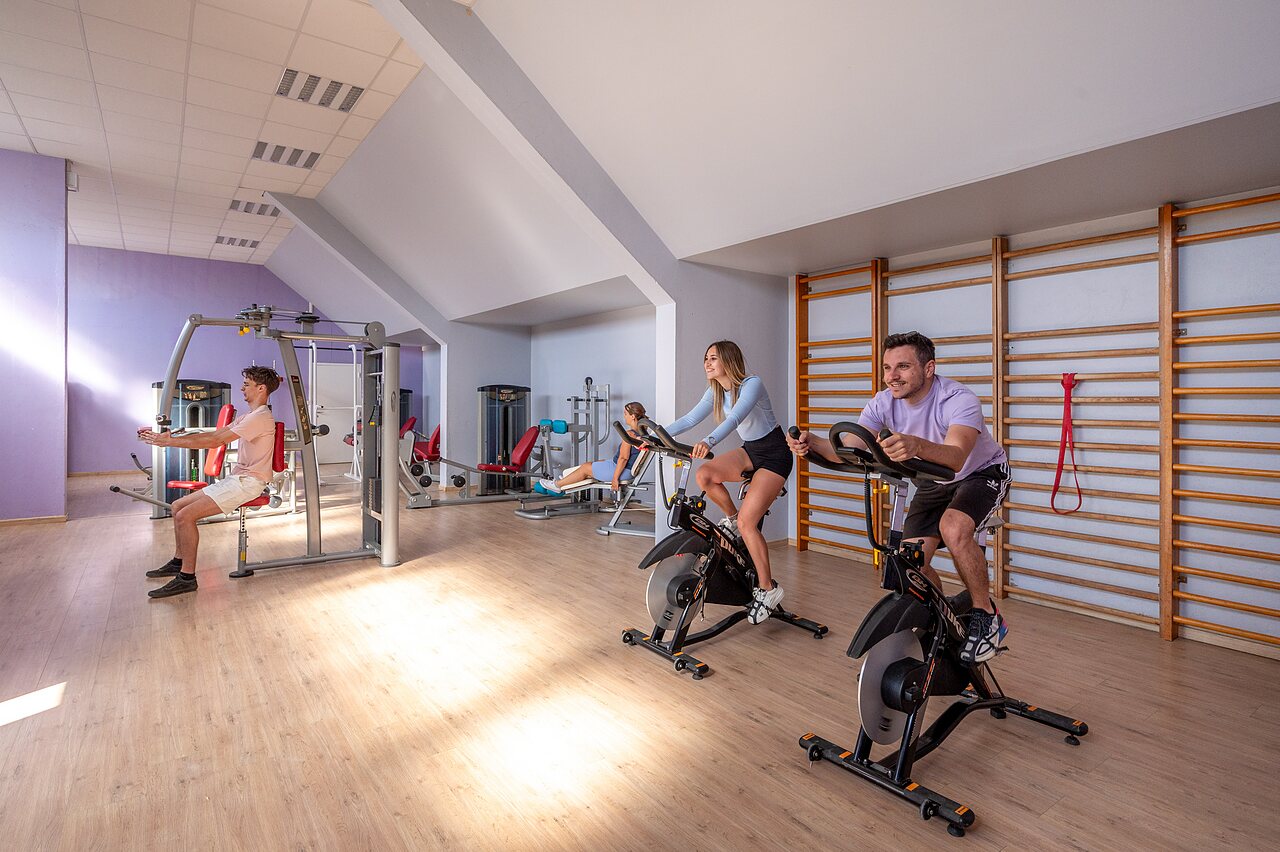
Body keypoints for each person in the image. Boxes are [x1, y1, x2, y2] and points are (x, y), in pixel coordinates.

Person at [787, 331, 1010, 663]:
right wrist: (812, 443)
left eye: (903, 367)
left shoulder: (958, 398)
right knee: (910, 561)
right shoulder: (882, 402)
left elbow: (956, 457)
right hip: (934, 478)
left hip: (981, 473)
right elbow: (850, 447)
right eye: (888, 367)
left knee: (953, 527)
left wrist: (916, 445)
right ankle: (943, 614)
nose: (892, 376)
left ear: (929, 368)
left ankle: (986, 615)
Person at [664, 341, 792, 625]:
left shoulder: (751, 384)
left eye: (713, 358)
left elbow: (735, 419)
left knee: (750, 524)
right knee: (705, 475)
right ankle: (732, 518)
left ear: (729, 361)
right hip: (750, 451)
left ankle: (768, 589)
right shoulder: (715, 391)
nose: (707, 363)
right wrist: (657, 436)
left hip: (774, 456)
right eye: (705, 358)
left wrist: (708, 441)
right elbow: (688, 418)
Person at [138, 366, 282, 599]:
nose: (242, 387)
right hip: (238, 478)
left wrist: (169, 442)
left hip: (249, 482)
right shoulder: (248, 416)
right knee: (177, 507)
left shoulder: (260, 417)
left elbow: (215, 440)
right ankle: (178, 561)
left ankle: (187, 578)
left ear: (261, 388)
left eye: (247, 383)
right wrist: (172, 436)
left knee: (186, 516)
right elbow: (216, 433)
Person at [537, 402, 648, 496]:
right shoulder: (643, 433)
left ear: (633, 416)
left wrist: (615, 479)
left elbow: (623, 458)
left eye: (625, 414)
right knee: (593, 463)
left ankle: (557, 485)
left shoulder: (629, 434)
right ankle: (567, 478)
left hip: (622, 471)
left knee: (586, 468)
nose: (624, 416)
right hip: (627, 471)